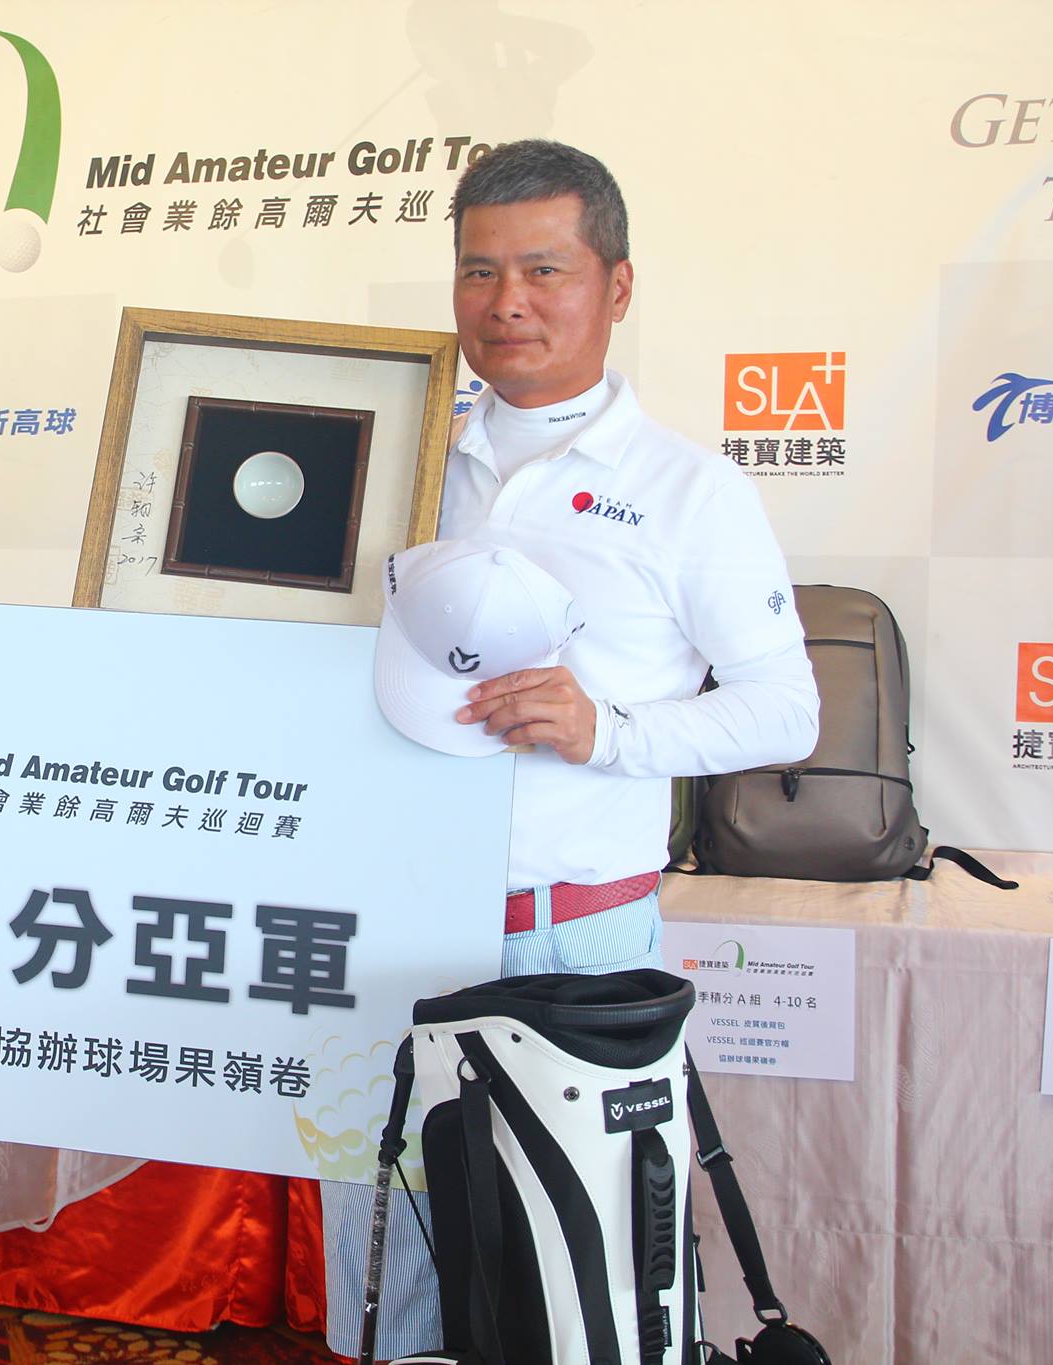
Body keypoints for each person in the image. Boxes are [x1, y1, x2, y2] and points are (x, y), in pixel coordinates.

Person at [325, 139, 821, 1357]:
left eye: (543, 270)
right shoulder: (401, 459)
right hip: (385, 929)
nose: (505, 302)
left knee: (572, 1289)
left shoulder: (690, 490)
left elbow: (784, 711)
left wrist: (609, 732)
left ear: (617, 285)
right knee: (392, 1274)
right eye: (477, 270)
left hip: (569, 940)